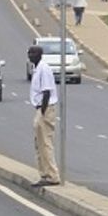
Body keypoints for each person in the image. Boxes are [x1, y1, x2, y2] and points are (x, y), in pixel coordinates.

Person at [27, 46, 61, 187]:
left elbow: (47, 92)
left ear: (40, 54)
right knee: (39, 143)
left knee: (45, 143)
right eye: (29, 53)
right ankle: (44, 174)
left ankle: (52, 175)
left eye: (34, 53)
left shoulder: (44, 69)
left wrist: (42, 112)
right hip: (40, 108)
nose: (31, 55)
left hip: (45, 109)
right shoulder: (37, 68)